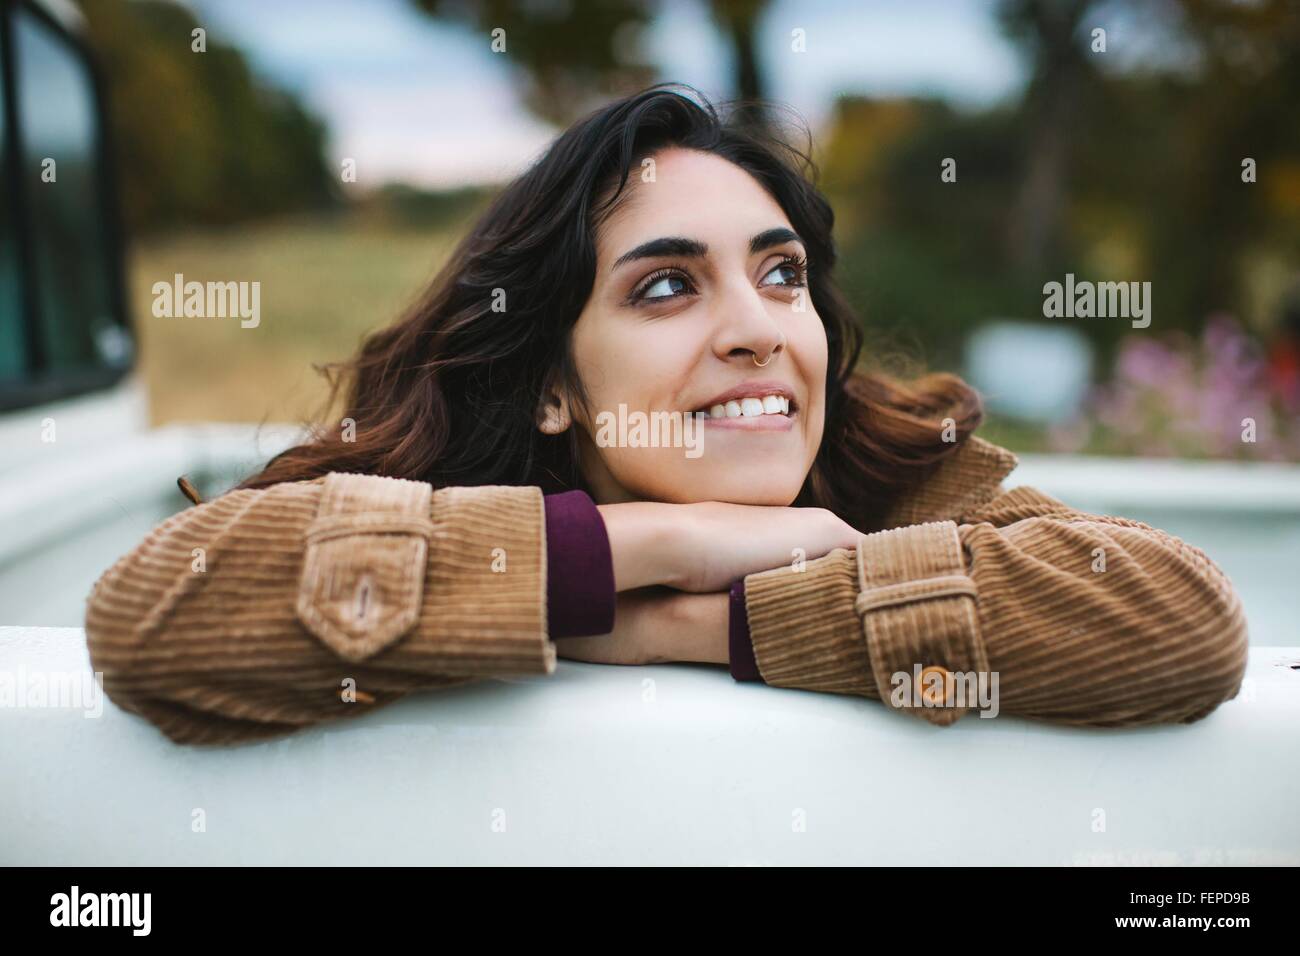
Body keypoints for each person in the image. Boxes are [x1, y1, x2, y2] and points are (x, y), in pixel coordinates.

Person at [84, 85, 1248, 745]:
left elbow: (1184, 624)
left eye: (780, 273)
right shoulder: (434, 522)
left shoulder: (908, 496)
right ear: (552, 384)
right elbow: (153, 618)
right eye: (664, 284)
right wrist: (649, 553)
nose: (758, 325)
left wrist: (701, 627)